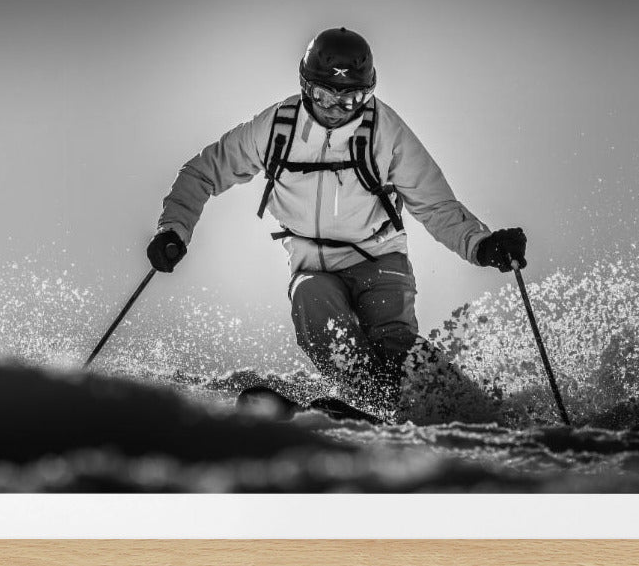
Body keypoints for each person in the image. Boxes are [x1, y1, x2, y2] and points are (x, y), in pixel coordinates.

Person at [147, 27, 527, 409]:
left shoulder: (386, 132)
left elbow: (435, 204)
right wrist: (173, 230)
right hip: (313, 265)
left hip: (379, 259)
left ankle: (469, 407)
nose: (334, 108)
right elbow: (202, 172)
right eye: (323, 94)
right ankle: (369, 404)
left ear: (368, 93)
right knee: (312, 300)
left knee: (395, 347)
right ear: (304, 85)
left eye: (351, 100)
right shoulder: (277, 128)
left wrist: (482, 244)